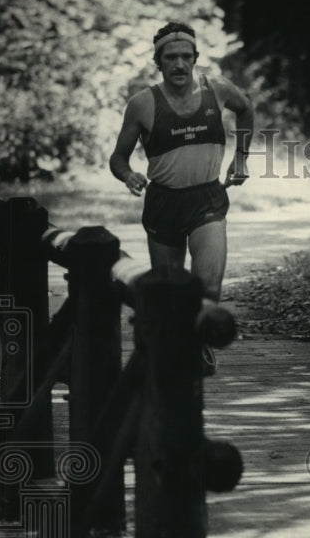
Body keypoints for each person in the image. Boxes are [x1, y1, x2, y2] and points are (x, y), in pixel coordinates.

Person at [109, 22, 254, 375]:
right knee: (170, 293)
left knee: (209, 287)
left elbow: (246, 108)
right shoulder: (142, 104)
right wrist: (128, 175)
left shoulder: (217, 89)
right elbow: (118, 158)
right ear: (158, 62)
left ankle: (198, 345)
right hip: (164, 204)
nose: (179, 64)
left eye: (186, 57)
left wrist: (241, 158)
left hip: (207, 200)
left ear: (195, 58)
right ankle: (175, 348)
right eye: (170, 57)